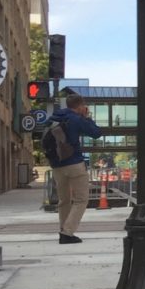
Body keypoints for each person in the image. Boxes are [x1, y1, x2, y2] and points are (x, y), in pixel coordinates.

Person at [47, 91, 103, 244]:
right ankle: (67, 232)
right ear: (80, 106)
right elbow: (97, 133)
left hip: (57, 165)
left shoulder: (54, 117)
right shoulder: (76, 119)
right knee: (81, 200)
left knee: (64, 200)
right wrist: (87, 117)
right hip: (74, 163)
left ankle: (63, 231)